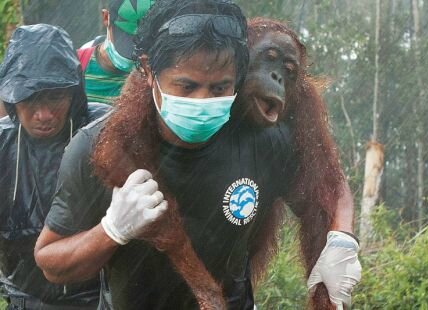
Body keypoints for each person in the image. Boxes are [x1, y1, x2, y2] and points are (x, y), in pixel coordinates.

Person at [34, 0, 361, 309]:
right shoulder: (103, 144)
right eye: (187, 87)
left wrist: (340, 241)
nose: (203, 100)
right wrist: (111, 231)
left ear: (239, 74)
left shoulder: (266, 141)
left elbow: (327, 187)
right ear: (148, 73)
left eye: (219, 88)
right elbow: (51, 262)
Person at [0, 24, 110, 309]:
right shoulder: (2, 143)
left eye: (55, 98)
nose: (44, 115)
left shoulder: (105, 132)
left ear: (74, 94)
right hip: (25, 297)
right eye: (30, 101)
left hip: (98, 298)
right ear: (12, 100)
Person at [77, 0, 155, 104]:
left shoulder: (156, 75)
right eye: (127, 39)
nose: (134, 55)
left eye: (144, 43)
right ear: (106, 18)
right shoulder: (76, 63)